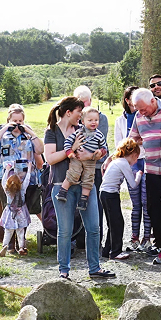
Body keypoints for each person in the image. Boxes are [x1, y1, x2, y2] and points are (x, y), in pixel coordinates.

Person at [45, 97, 114, 280]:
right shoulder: (51, 132)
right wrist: (72, 149)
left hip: (85, 185)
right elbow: (50, 159)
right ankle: (64, 270)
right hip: (62, 185)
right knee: (65, 231)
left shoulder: (83, 129)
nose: (81, 116)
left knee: (93, 228)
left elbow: (96, 152)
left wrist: (94, 154)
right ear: (69, 113)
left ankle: (95, 268)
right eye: (78, 113)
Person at [0, 104, 44, 246]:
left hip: (26, 178)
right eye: (14, 121)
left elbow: (40, 149)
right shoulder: (3, 133)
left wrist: (29, 131)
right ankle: (9, 244)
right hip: (6, 178)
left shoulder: (28, 134)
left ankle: (21, 241)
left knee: (23, 208)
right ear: (8, 120)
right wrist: (6, 128)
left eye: (20, 121)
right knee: (8, 208)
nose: (17, 124)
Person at [128, 88, 161, 263]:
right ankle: (160, 245)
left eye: (143, 109)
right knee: (154, 209)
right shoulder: (139, 116)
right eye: (138, 109)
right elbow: (132, 139)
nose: (141, 112)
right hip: (151, 169)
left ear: (153, 101)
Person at [113, 87, 148, 254]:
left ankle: (147, 237)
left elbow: (148, 139)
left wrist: (134, 142)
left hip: (146, 161)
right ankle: (134, 236)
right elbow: (120, 145)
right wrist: (135, 142)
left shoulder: (146, 115)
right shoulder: (121, 120)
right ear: (127, 100)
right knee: (136, 203)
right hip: (131, 164)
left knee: (146, 201)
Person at [56, 107, 107, 212]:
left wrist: (101, 152)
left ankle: (83, 199)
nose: (94, 122)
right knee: (73, 173)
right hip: (77, 158)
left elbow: (104, 147)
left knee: (89, 178)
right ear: (83, 122)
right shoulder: (78, 132)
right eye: (90, 120)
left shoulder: (99, 135)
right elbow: (67, 142)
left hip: (91, 161)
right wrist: (69, 152)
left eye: (96, 120)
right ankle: (63, 191)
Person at [99, 138, 144, 260]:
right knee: (118, 223)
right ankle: (115, 252)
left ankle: (107, 250)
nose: (135, 161)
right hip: (110, 194)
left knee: (112, 223)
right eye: (136, 158)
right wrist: (139, 175)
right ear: (134, 155)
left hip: (104, 193)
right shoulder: (124, 163)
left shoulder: (116, 161)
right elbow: (133, 184)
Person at [73, 86, 109, 234]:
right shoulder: (75, 120)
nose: (83, 108)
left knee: (95, 203)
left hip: (95, 166)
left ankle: (96, 236)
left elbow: (101, 146)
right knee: (78, 202)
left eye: (85, 103)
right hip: (78, 166)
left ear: (91, 101)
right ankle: (78, 237)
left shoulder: (101, 118)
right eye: (80, 104)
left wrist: (87, 155)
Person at [0, 165, 31, 256]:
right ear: (19, 183)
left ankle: (5, 245)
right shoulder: (22, 189)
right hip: (20, 213)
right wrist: (29, 169)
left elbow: (3, 181)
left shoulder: (7, 190)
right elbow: (27, 180)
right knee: (20, 231)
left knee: (8, 231)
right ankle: (21, 247)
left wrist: (7, 170)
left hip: (10, 213)